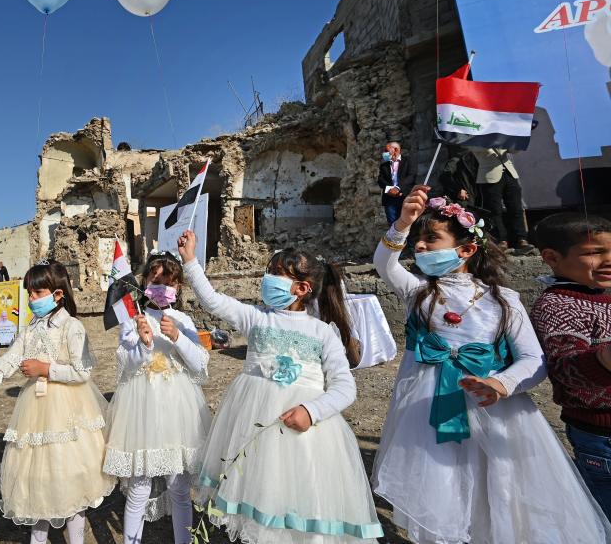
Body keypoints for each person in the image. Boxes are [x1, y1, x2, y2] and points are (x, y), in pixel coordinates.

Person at [372, 187, 611, 543]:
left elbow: (533, 359)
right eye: (416, 242)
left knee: (499, 487)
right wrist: (402, 224)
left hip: (495, 409)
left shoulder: (504, 300)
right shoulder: (417, 292)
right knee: (442, 481)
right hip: (429, 409)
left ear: (466, 249)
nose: (419, 247)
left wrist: (502, 383)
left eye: (431, 239)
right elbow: (384, 264)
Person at [179, 230, 382, 543]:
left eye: (275, 274)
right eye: (267, 272)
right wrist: (190, 260)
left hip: (306, 432)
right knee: (260, 494)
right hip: (253, 420)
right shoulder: (257, 318)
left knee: (302, 499)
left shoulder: (323, 333)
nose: (266, 279)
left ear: (302, 288)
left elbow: (345, 388)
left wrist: (311, 411)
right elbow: (213, 301)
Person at [0, 260, 115, 544]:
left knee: (72, 483)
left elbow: (83, 371)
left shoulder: (72, 327)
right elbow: (4, 367)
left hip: (69, 413)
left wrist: (46, 369)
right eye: (29, 293)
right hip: (34, 413)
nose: (31, 299)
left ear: (57, 294)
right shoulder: (29, 329)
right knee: (37, 486)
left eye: (37, 293)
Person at [104, 251, 211, 544]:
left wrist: (177, 338)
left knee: (179, 486)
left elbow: (201, 364)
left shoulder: (182, 319)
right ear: (144, 282)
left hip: (178, 409)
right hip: (142, 409)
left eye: (170, 280)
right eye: (156, 279)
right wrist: (145, 344)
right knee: (139, 487)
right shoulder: (133, 318)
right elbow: (125, 364)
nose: (163, 286)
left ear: (178, 287)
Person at [531, 212, 611, 518]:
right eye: (594, 252)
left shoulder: (604, 298)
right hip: (601, 438)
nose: (608, 259)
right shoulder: (557, 305)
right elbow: (567, 371)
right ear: (552, 257)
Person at [472, 148, 534, 254]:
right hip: (489, 175)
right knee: (494, 210)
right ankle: (501, 240)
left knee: (516, 207)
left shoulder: (500, 133)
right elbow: (477, 148)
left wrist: (511, 143)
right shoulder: (477, 134)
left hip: (509, 173)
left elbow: (513, 150)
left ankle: (521, 239)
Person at [376, 141, 416, 225]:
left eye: (386, 150)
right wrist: (390, 189)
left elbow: (411, 177)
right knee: (393, 225)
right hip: (389, 199)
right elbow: (380, 180)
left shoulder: (408, 161)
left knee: (408, 224)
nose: (384, 153)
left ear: (396, 150)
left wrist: (398, 188)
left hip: (405, 196)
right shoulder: (384, 166)